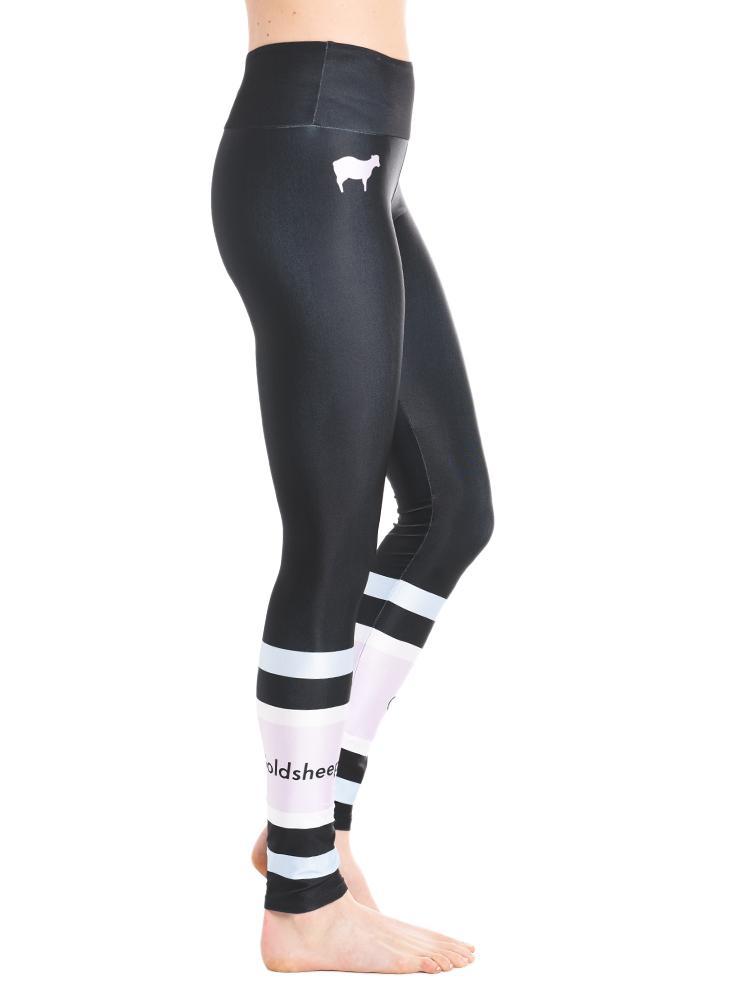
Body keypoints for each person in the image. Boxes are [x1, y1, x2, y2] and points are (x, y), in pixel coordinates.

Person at [212, 0, 493, 973]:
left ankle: (312, 824)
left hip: (365, 147)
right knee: (333, 532)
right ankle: (301, 904)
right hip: (311, 137)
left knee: (452, 511)